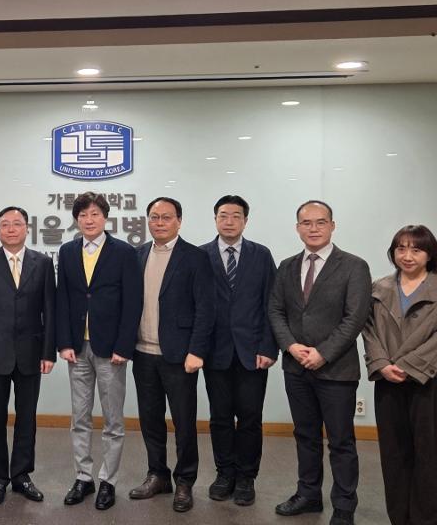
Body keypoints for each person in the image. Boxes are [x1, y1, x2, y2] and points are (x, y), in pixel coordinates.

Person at [268, 200, 371, 525]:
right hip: (296, 367)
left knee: (341, 441)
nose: (313, 228)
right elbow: (276, 310)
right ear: (297, 227)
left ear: (332, 225)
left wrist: (323, 352)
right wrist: (290, 345)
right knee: (305, 435)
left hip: (336, 370)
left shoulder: (354, 266)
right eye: (306, 223)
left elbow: (355, 318)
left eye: (320, 222)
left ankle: (344, 506)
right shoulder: (286, 266)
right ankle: (308, 494)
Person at [363, 225, 437, 525]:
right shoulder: (378, 288)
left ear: (430, 254)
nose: (407, 255)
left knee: (432, 460)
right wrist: (382, 364)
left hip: (432, 382)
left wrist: (407, 366)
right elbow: (368, 330)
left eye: (416, 249)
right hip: (388, 380)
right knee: (394, 457)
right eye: (401, 248)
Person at [56, 192, 142, 511]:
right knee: (79, 417)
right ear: (76, 220)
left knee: (112, 420)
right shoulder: (67, 251)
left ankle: (108, 480)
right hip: (78, 348)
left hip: (111, 350)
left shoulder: (124, 252)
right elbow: (62, 298)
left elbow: (133, 301)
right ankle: (83, 477)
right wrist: (64, 342)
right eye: (82, 215)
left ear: (105, 217)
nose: (88, 220)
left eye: (94, 214)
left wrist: (124, 346)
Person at [128, 197, 215, 513]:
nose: (160, 223)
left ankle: (185, 480)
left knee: (183, 422)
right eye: (154, 217)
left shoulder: (196, 257)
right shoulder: (137, 255)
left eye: (166, 217)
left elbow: (206, 307)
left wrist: (197, 350)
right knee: (150, 420)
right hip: (142, 353)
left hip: (179, 357)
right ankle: (158, 475)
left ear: (179, 221)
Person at [0, 206, 55, 506]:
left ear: (27, 228)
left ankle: (21, 475)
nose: (11, 229)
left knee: (27, 418)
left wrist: (48, 352)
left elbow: (49, 311)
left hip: (31, 353)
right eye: (5, 224)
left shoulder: (43, 263)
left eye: (17, 224)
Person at [199, 195, 277, 506]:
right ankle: (224, 473)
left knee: (250, 417)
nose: (229, 221)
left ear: (245, 220)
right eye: (223, 215)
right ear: (215, 219)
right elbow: (195, 305)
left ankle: (246, 477)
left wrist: (269, 347)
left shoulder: (261, 255)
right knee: (219, 417)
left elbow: (272, 304)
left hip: (252, 352)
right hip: (214, 351)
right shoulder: (200, 255)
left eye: (235, 216)